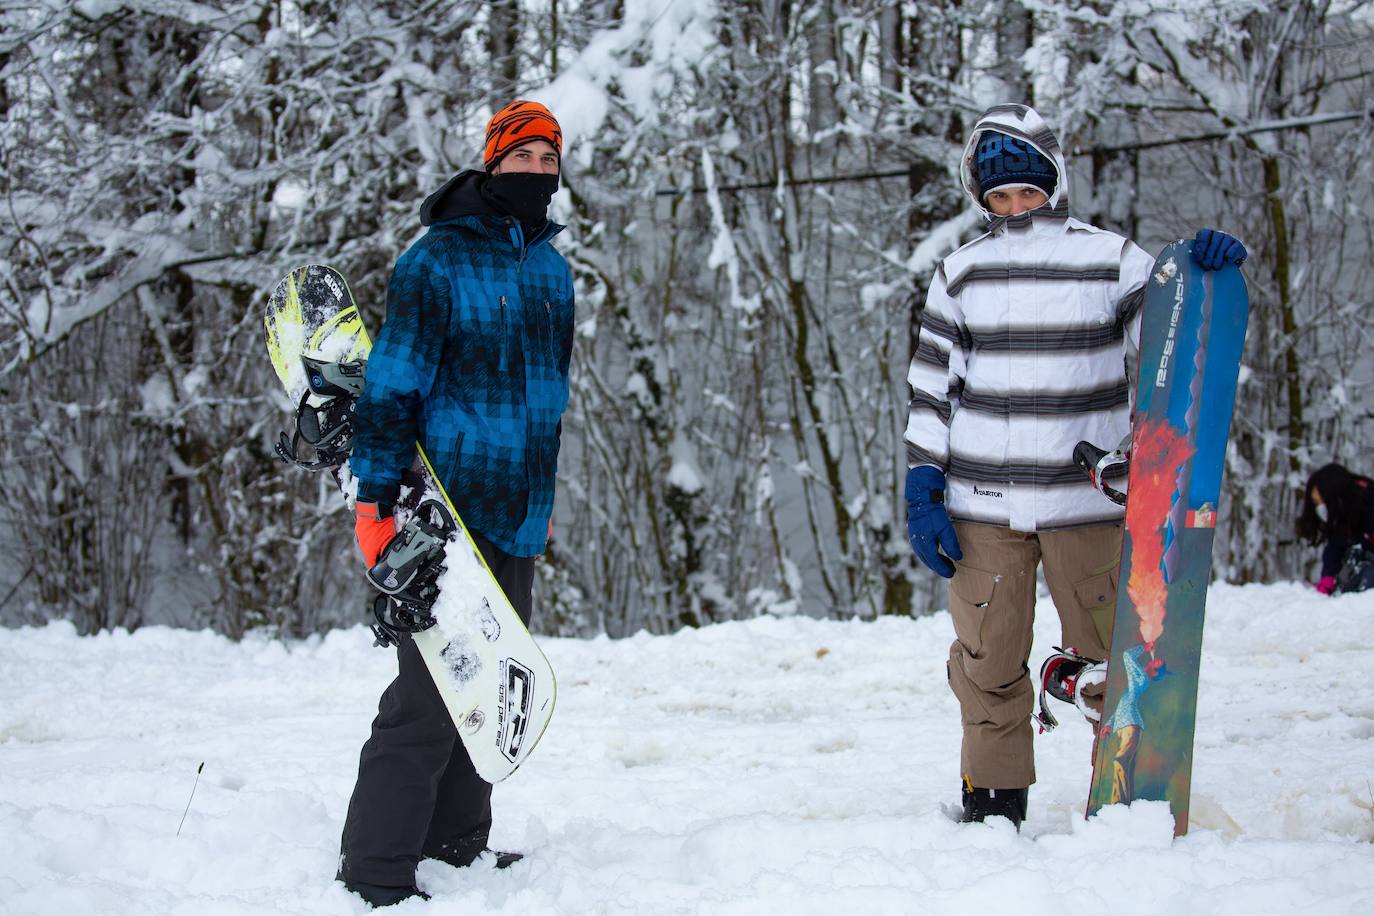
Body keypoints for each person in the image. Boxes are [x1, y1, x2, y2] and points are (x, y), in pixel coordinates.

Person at [901, 103, 1246, 828]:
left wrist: (1196, 277)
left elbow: (1170, 348)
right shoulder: (960, 275)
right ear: (982, 200)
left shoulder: (1111, 260)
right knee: (986, 661)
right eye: (999, 197)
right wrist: (922, 483)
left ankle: (1123, 794)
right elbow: (934, 386)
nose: (1015, 208)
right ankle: (993, 808)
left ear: (1053, 183)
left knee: (1108, 655)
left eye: (1027, 191)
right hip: (983, 506)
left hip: (1086, 504)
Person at [337, 99, 575, 908]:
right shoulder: (433, 261)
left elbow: (546, 400)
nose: (537, 174)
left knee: (493, 683)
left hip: (519, 511)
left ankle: (457, 846)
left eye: (549, 161)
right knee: (426, 698)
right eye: (523, 160)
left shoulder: (552, 269)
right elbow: (390, 387)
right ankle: (374, 870)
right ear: (491, 164)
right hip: (443, 513)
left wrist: (540, 508)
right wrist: (376, 503)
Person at [1296, 462, 1374, 594]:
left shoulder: (1369, 503)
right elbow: (1335, 548)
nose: (1320, 508)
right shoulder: (1342, 517)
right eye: (1316, 503)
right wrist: (1329, 577)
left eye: (1322, 502)